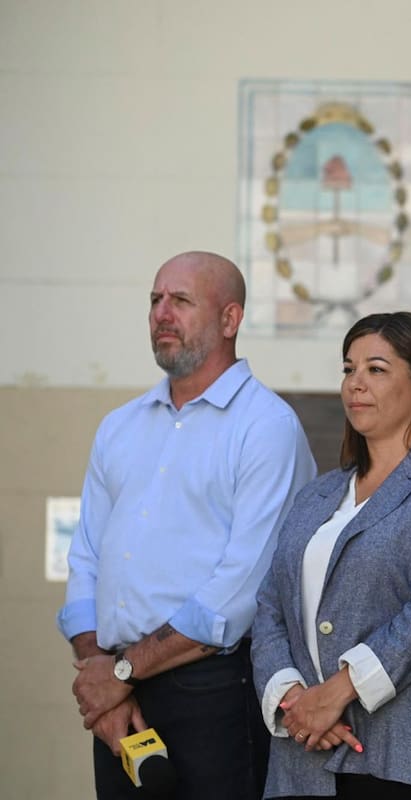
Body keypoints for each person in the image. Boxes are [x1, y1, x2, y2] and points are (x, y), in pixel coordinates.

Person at [58, 251, 318, 799]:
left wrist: (119, 674)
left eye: (180, 300)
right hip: (118, 695)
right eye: (155, 300)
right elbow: (86, 559)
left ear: (230, 319)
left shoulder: (266, 427)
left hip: (213, 693)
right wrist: (101, 675)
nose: (161, 314)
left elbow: (239, 592)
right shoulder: (119, 426)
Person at [252, 311, 411, 800]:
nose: (355, 384)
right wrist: (294, 701)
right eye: (348, 369)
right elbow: (269, 608)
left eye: (375, 369)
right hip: (304, 759)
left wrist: (336, 692)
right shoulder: (319, 493)